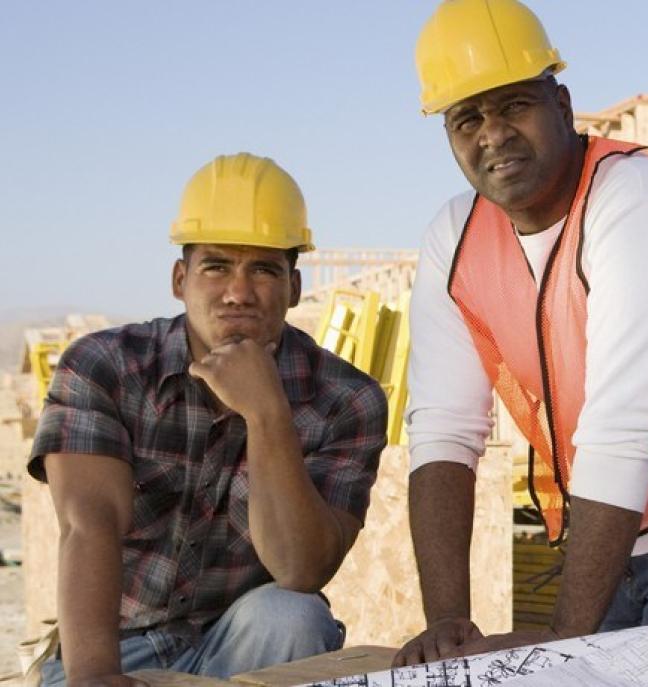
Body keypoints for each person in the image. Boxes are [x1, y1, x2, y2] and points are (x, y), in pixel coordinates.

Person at [395, 0, 648, 665]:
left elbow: (623, 425)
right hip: (622, 517)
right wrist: (447, 619)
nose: (493, 134)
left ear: (562, 104)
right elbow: (444, 429)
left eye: (514, 105)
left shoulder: (637, 201)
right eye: (467, 118)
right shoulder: (453, 240)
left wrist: (567, 643)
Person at [31, 153, 387, 686]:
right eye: (217, 266)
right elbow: (89, 523)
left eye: (263, 269)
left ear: (293, 286)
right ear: (181, 279)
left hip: (243, 641)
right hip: (116, 644)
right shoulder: (107, 366)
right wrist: (95, 676)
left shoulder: (346, 398)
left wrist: (267, 414)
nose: (238, 293)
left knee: (294, 612)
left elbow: (301, 569)